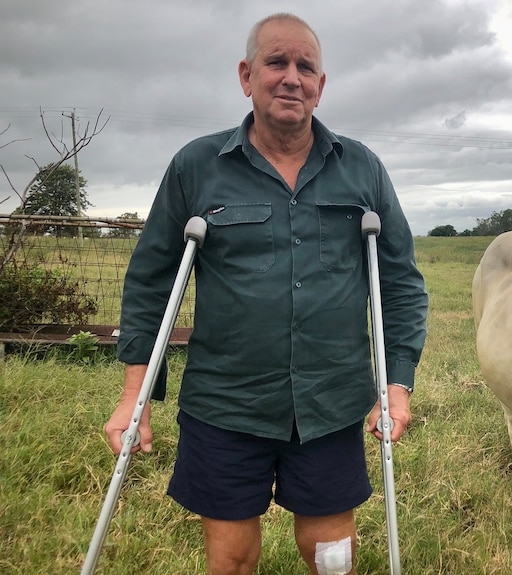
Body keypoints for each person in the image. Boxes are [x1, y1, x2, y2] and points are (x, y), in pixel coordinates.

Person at [104, 12, 428, 575]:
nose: (291, 77)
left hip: (330, 404)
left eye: (306, 67)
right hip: (226, 404)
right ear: (246, 75)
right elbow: (152, 281)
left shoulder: (362, 170)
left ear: (321, 86)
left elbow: (399, 282)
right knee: (231, 558)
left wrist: (394, 387)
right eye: (276, 63)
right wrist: (135, 397)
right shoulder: (196, 166)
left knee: (331, 557)